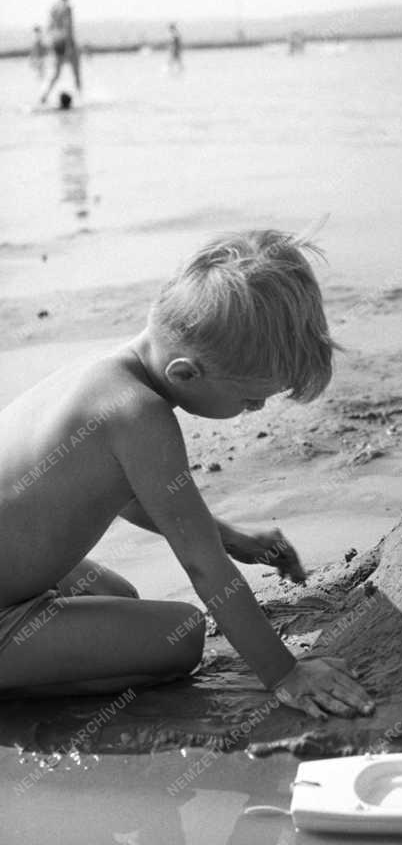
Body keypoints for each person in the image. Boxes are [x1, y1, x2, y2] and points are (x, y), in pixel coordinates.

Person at [0, 230, 375, 717]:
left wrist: (229, 536)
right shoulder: (142, 416)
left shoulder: (101, 374)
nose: (256, 409)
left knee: (120, 599)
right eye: (249, 399)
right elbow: (205, 569)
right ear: (185, 373)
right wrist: (286, 674)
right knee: (182, 637)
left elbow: (122, 490)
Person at [40, 0, 81, 105]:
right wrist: (69, 46)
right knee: (76, 73)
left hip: (56, 42)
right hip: (66, 42)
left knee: (56, 73)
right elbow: (68, 28)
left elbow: (49, 27)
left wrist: (48, 43)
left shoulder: (54, 7)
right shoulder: (66, 7)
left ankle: (44, 96)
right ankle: (81, 98)